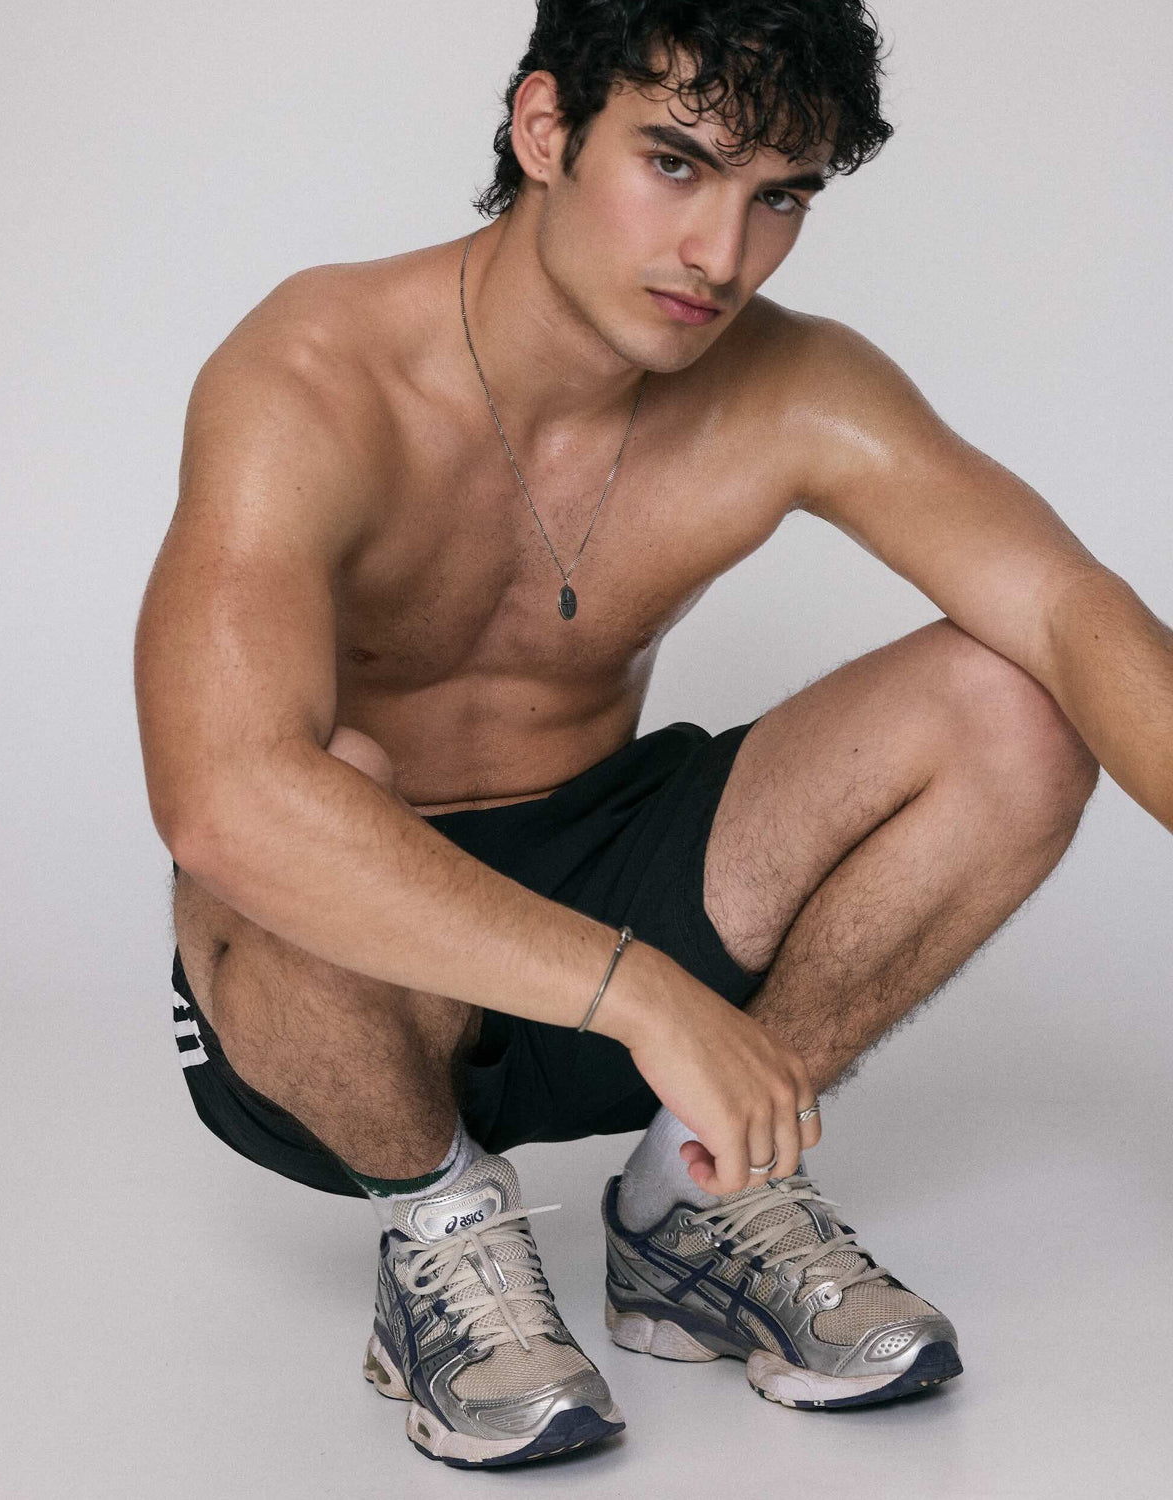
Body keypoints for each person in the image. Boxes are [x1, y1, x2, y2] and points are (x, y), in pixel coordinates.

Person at [134, 0, 1171, 1472]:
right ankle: (439, 1226)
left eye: (779, 198)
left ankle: (700, 1192)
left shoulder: (796, 387)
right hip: (351, 995)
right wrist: (644, 998)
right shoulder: (312, 375)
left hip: (623, 903)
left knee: (1014, 701)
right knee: (289, 805)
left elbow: (1070, 611)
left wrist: (659, 1006)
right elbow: (222, 798)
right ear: (544, 127)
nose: (721, 256)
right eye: (676, 163)